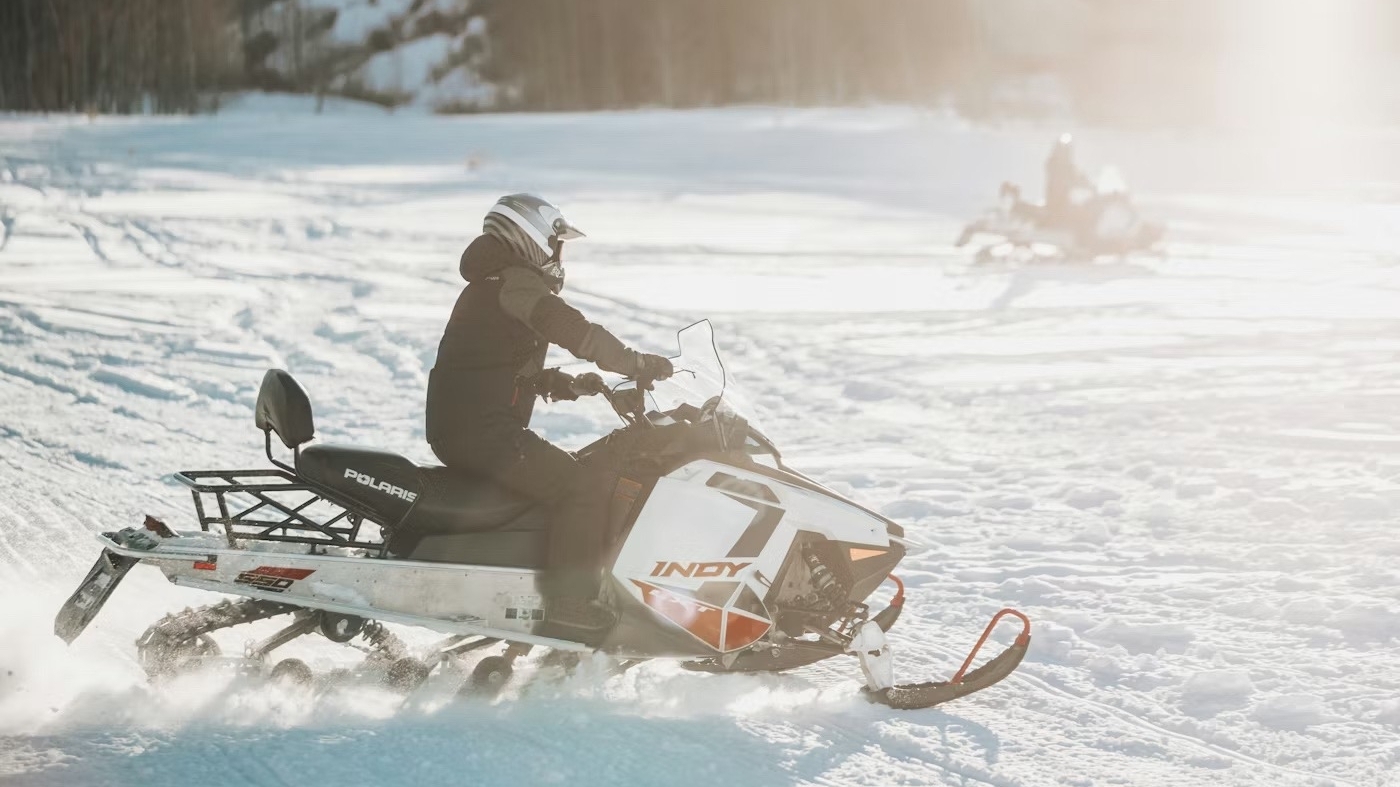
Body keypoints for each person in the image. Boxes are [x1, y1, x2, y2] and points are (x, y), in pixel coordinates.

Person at [425, 194, 673, 637]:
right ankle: (570, 605)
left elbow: (497, 364)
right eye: (557, 245)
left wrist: (570, 384)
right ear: (531, 239)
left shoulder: (493, 283)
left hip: (467, 426)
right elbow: (573, 330)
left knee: (567, 476)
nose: (560, 257)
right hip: (483, 432)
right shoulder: (515, 283)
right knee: (582, 485)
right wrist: (635, 363)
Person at [1043, 133, 1092, 229]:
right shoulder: (1055, 165)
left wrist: (1089, 183)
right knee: (1081, 216)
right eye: (1064, 150)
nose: (1065, 152)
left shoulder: (1066, 166)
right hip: (1057, 205)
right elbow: (1069, 178)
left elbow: (1078, 177)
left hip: (1063, 202)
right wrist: (1082, 182)